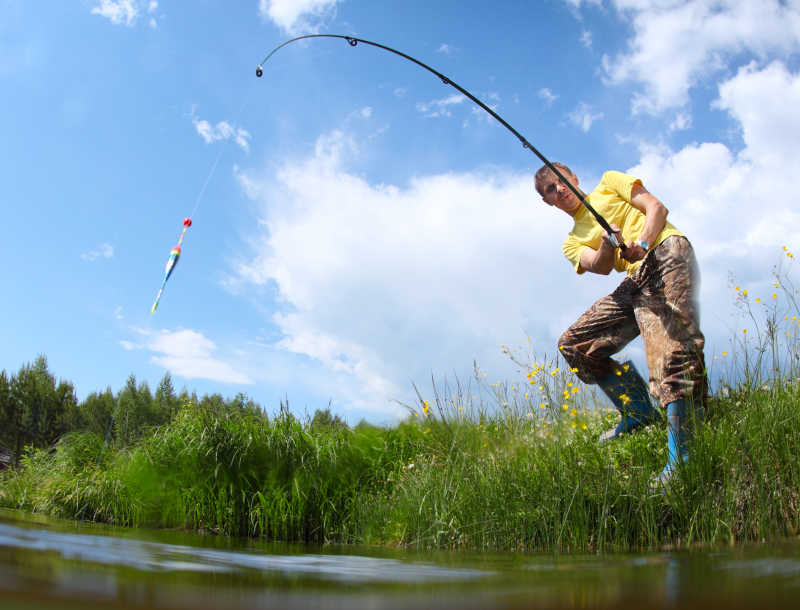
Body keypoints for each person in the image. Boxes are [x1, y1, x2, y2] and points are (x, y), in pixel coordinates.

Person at [534, 162, 707, 486]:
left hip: (665, 252)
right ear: (548, 202)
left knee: (671, 350)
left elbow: (656, 207)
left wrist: (641, 243)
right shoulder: (571, 241)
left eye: (560, 182)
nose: (559, 190)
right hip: (635, 279)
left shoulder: (609, 183)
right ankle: (638, 412)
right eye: (550, 191)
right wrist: (606, 243)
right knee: (574, 345)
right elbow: (598, 266)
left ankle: (682, 460)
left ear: (574, 177)